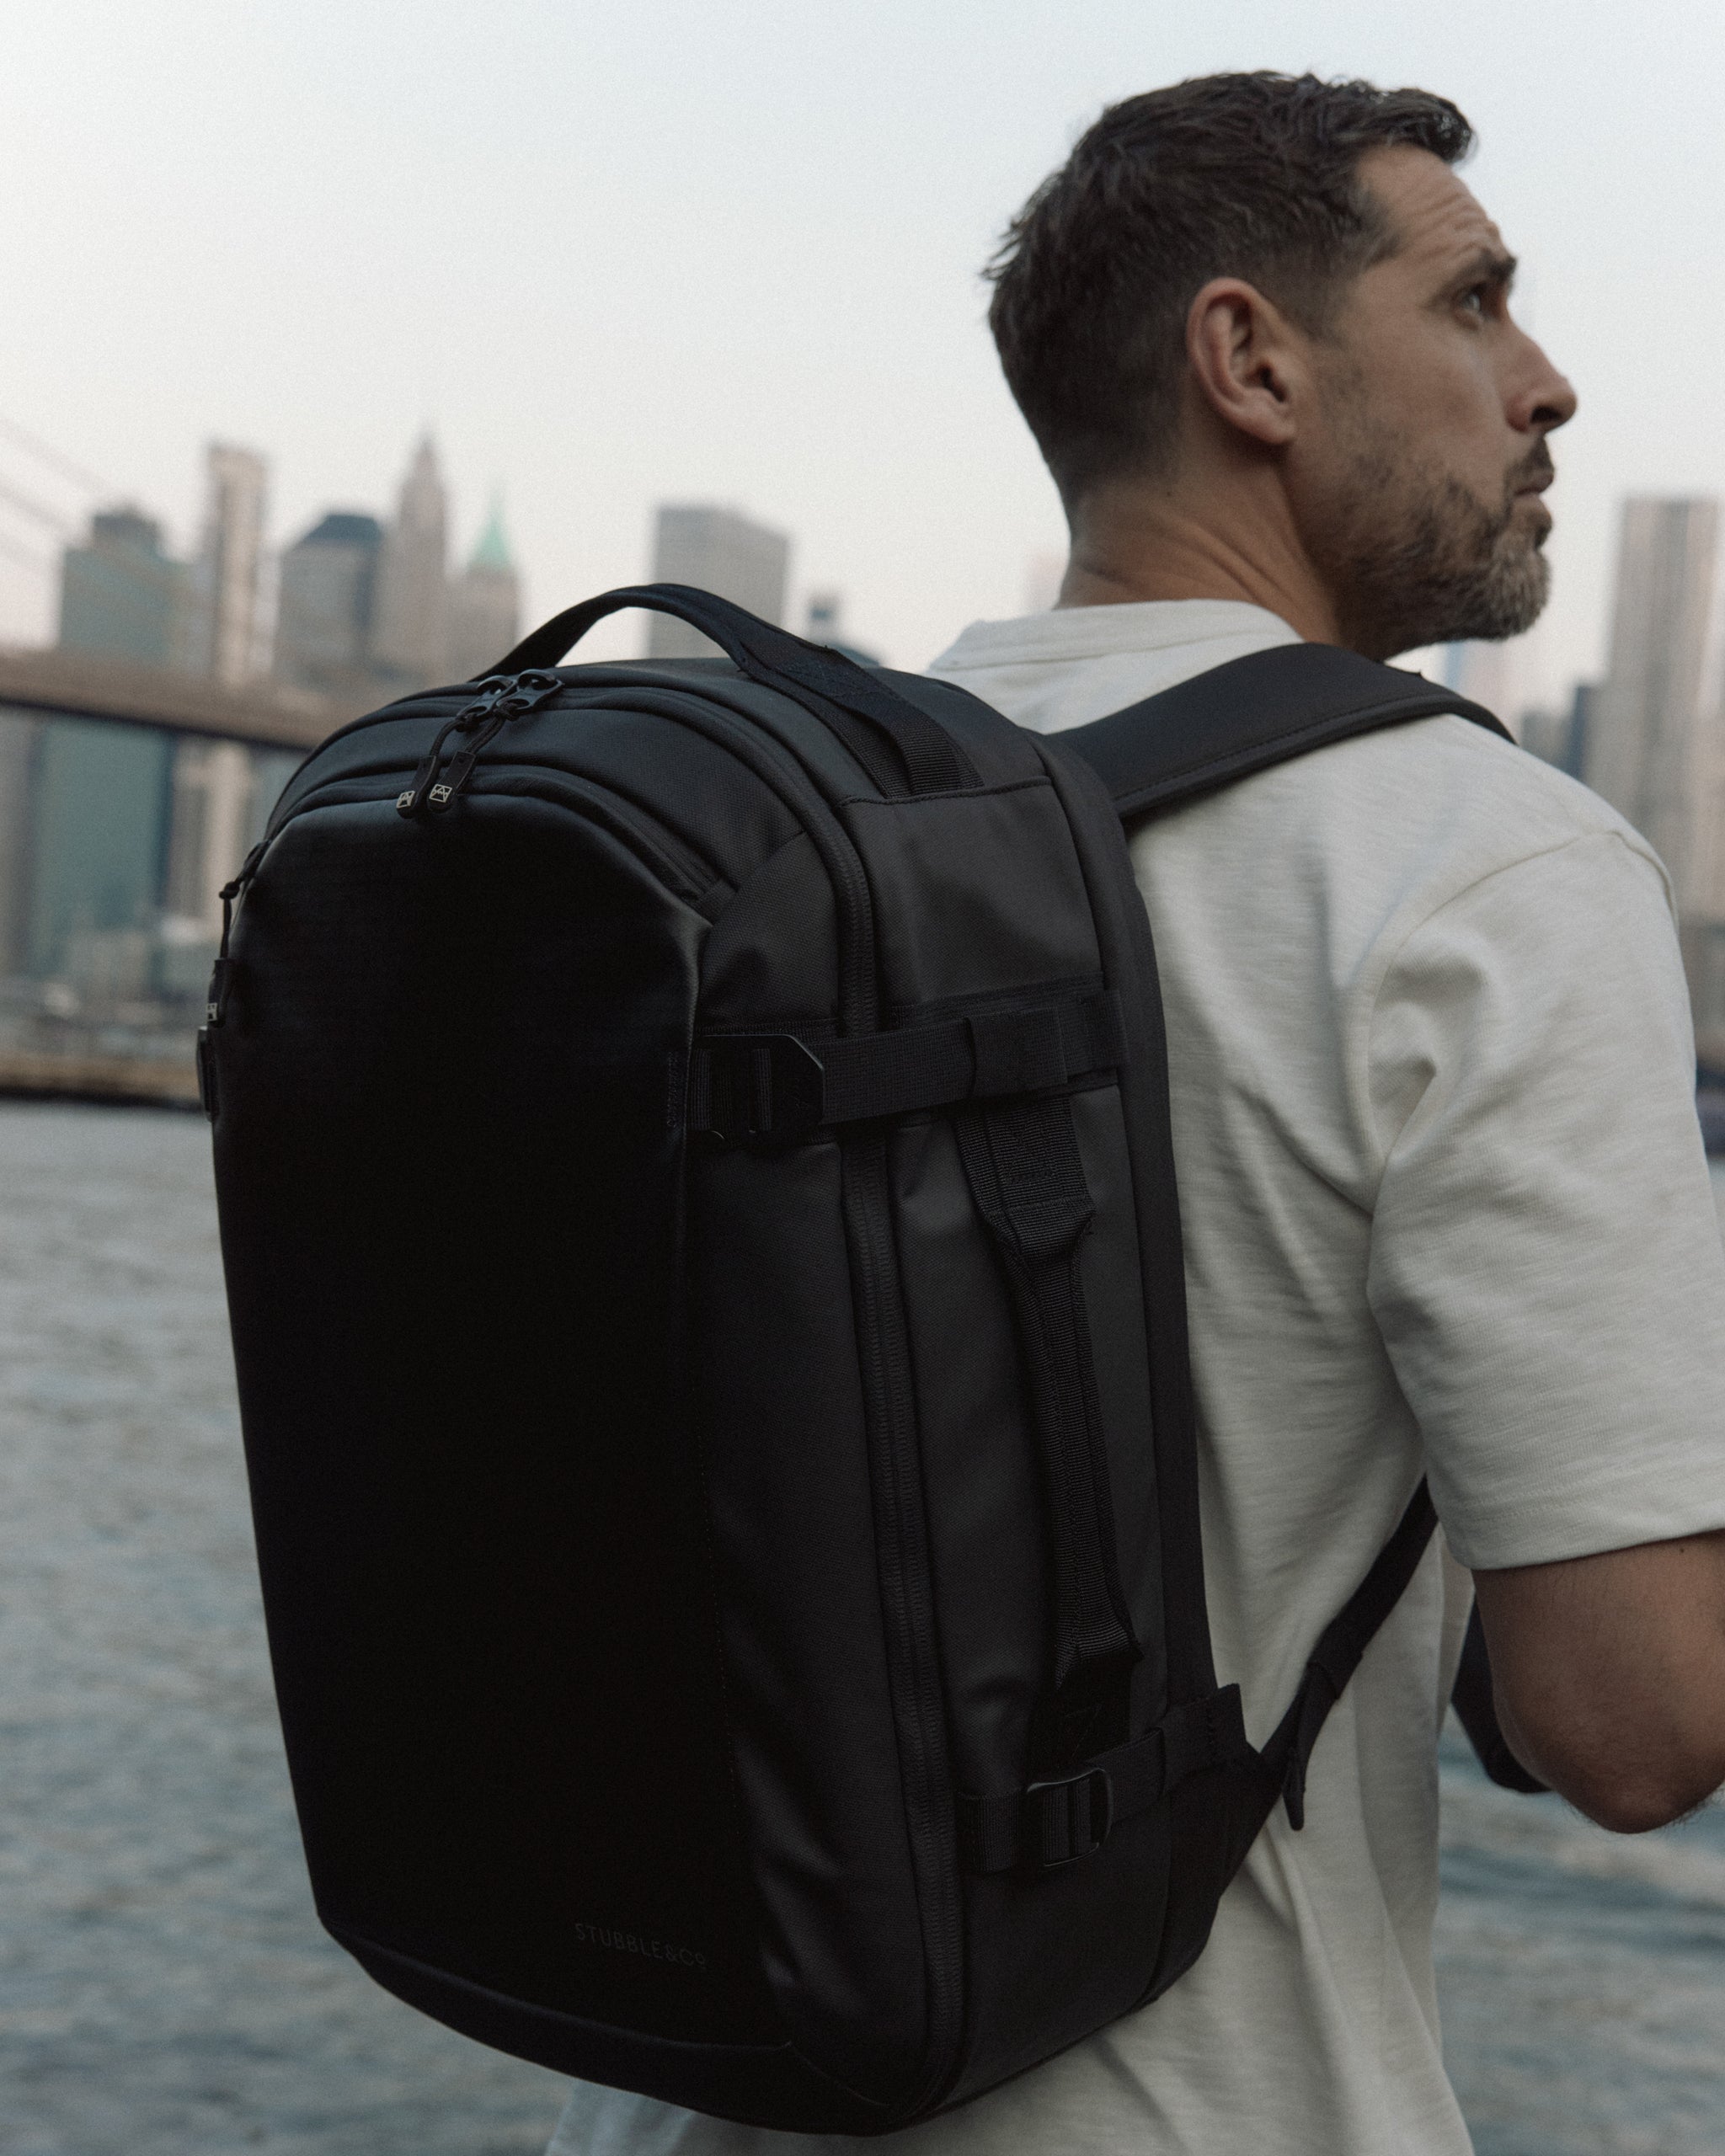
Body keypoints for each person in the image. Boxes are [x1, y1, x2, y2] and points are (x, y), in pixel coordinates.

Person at [549, 72, 1725, 2155]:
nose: (1546, 383)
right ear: (1249, 358)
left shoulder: (767, 830)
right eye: (1475, 303)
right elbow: (1635, 1724)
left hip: (685, 2104)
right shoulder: (1488, 866)